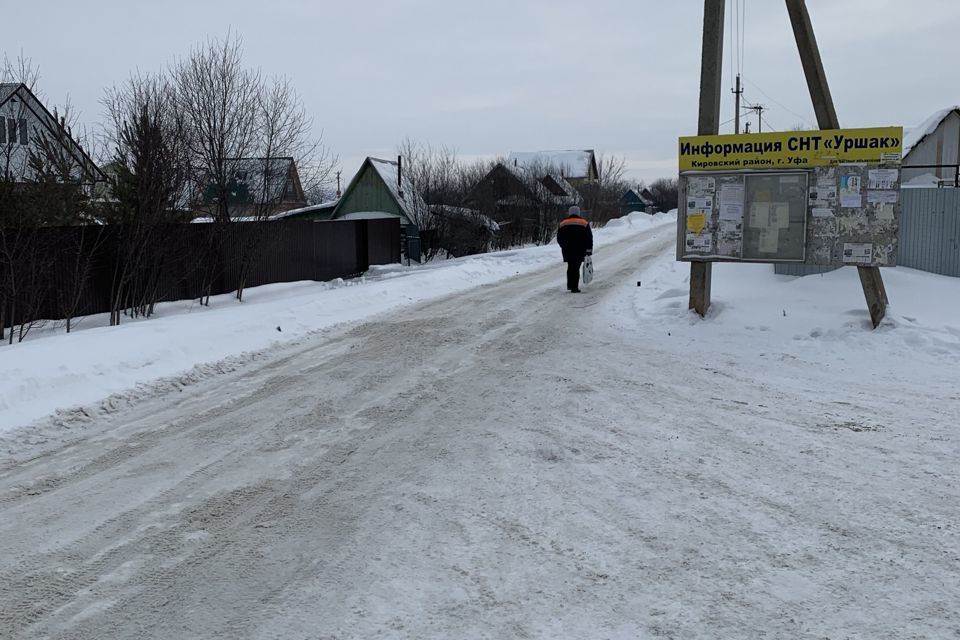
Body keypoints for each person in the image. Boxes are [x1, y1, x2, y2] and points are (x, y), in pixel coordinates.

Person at [556, 205, 593, 293]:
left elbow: (559, 237)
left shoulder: (563, 223)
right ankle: (574, 287)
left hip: (567, 249)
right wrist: (589, 250)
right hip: (580, 249)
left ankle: (570, 285)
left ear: (570, 212)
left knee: (570, 266)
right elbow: (589, 237)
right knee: (576, 267)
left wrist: (563, 245)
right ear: (578, 212)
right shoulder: (584, 223)